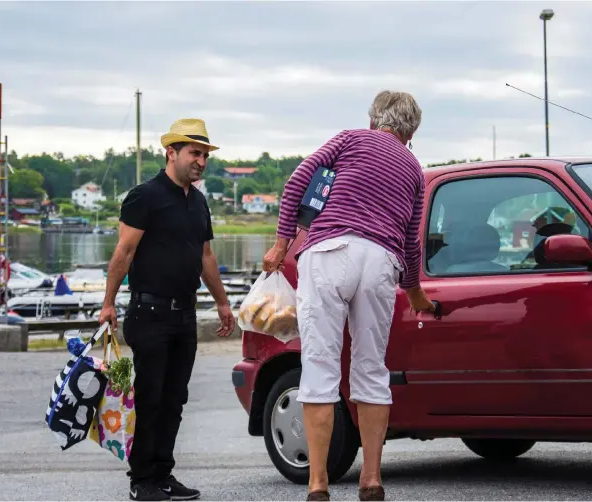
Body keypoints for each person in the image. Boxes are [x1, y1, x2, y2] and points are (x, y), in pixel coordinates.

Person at [262, 91, 436, 502]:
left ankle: (318, 482)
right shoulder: (414, 168)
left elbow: (296, 184)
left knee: (320, 367)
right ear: (411, 131)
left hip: (328, 253)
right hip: (380, 260)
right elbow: (411, 243)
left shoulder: (351, 139)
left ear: (374, 119)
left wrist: (280, 245)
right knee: (371, 369)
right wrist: (416, 294)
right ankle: (371, 478)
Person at [98, 118, 235, 501]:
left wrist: (223, 302)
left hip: (184, 315)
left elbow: (206, 256)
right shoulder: (145, 196)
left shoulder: (199, 201)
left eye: (205, 155)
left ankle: (163, 474)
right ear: (170, 152)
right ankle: (141, 480)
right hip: (149, 312)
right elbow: (123, 252)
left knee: (175, 399)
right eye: (195, 153)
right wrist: (108, 303)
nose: (201, 161)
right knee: (150, 396)